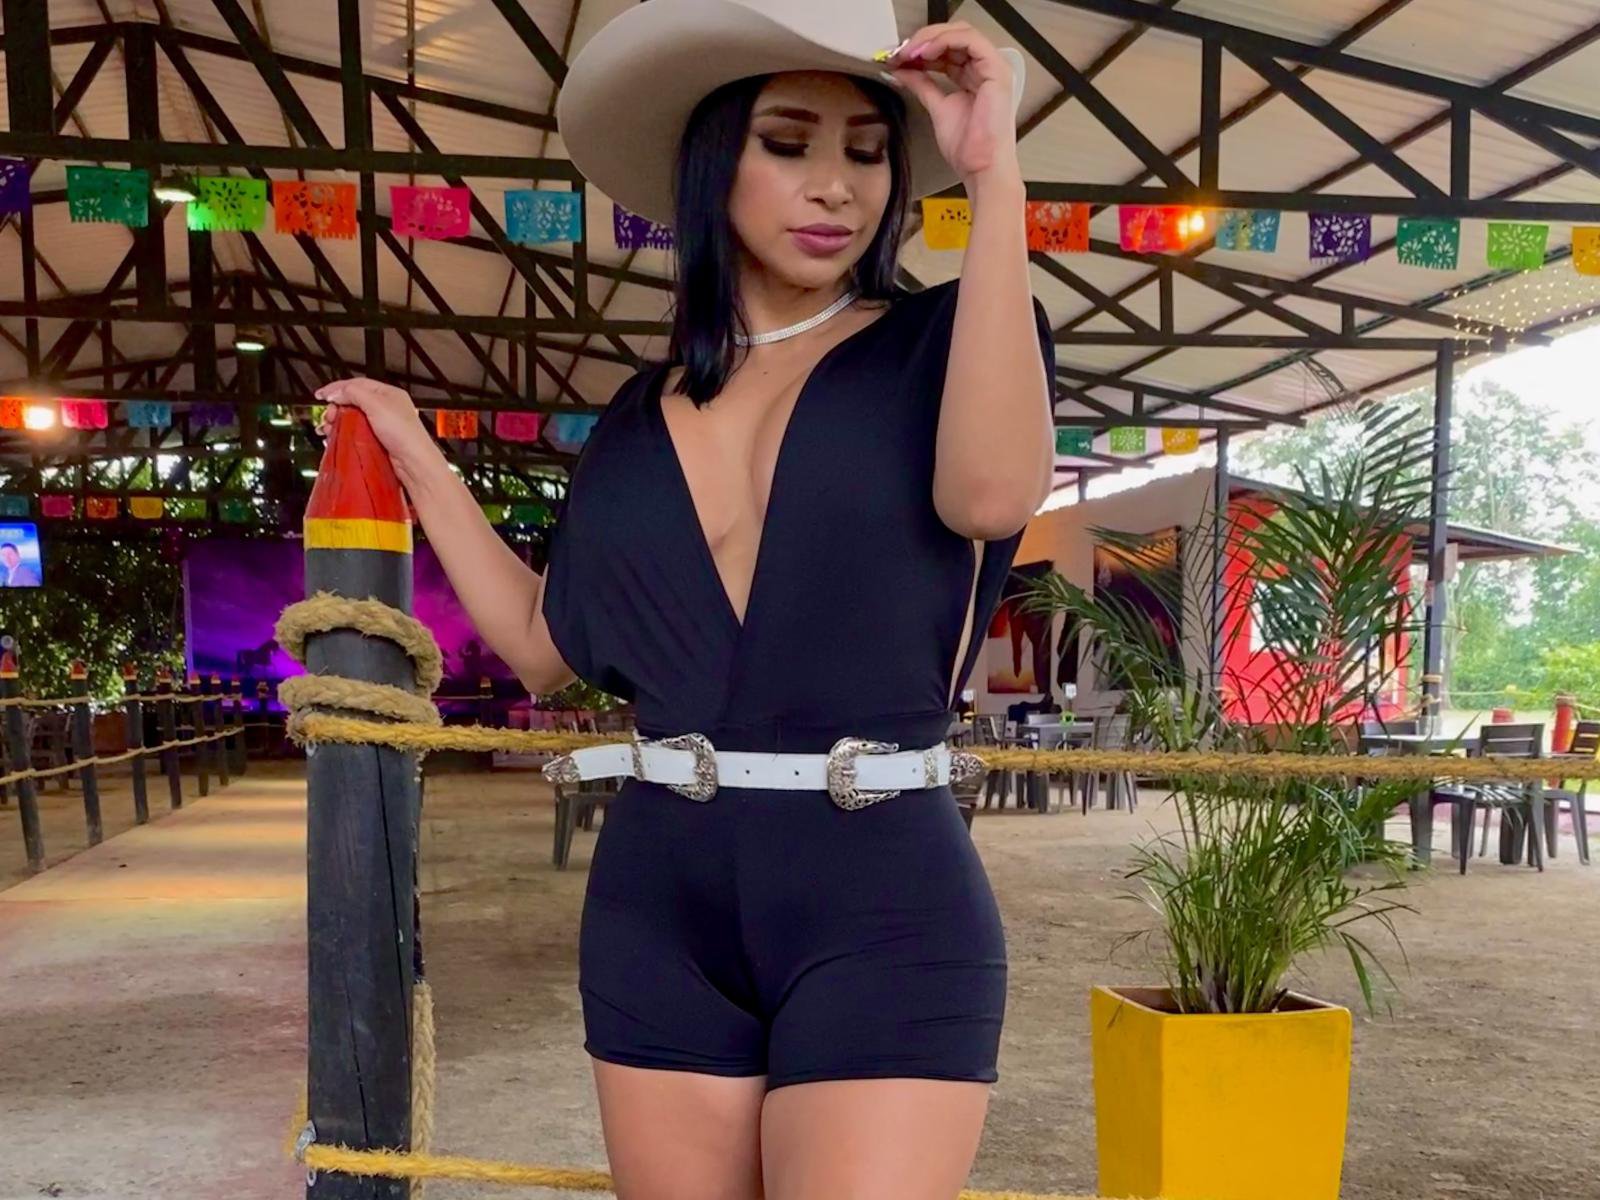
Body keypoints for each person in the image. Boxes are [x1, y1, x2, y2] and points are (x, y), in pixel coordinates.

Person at [314, 2, 1055, 1195]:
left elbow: (991, 494)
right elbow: (543, 647)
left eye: (869, 154)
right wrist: (416, 455)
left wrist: (991, 171)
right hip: (658, 895)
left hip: (881, 895)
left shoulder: (949, 338)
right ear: (715, 163)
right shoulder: (630, 418)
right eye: (789, 143)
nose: (836, 187)